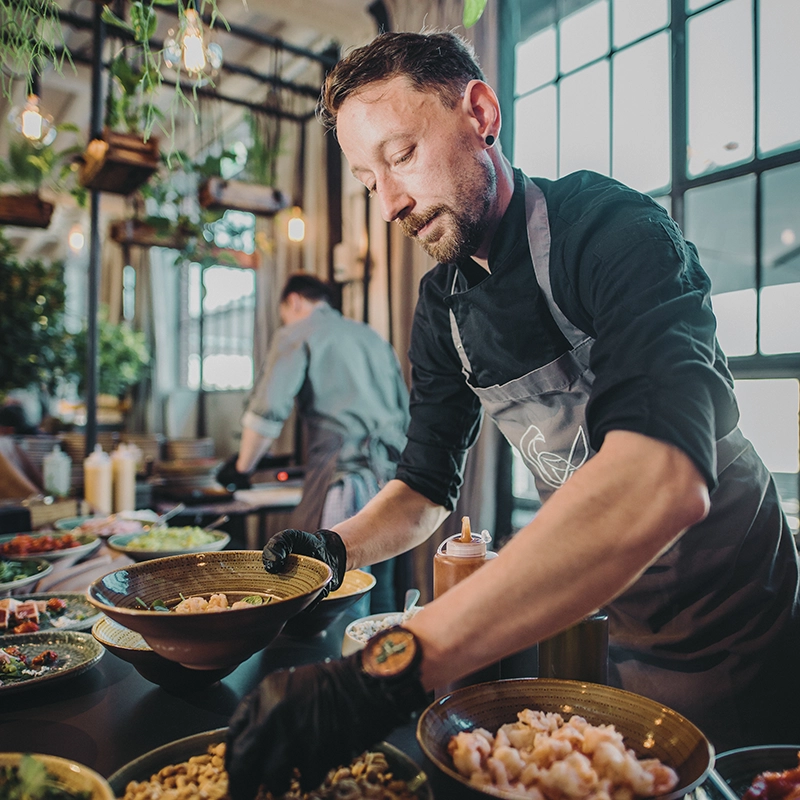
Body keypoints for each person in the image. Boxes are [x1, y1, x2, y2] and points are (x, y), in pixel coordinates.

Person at [224, 30, 800, 798]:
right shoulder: (442, 310)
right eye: (368, 182)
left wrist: (386, 673)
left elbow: (660, 476)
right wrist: (338, 547)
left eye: (399, 155)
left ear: (481, 114)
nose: (390, 202)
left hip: (737, 618)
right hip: (612, 619)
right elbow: (425, 488)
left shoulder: (612, 232)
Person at [217, 273, 410, 613]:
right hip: (395, 484)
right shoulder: (372, 337)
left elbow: (268, 412)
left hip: (345, 484)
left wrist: (242, 467)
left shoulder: (298, 331)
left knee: (336, 596)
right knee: (381, 595)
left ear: (294, 302)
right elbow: (405, 412)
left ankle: (341, 665)